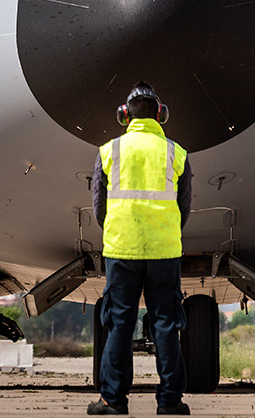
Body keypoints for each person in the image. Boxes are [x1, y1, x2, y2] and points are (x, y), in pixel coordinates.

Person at [89, 83, 193, 416]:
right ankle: (169, 401)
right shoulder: (176, 153)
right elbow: (185, 204)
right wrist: (167, 232)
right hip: (164, 250)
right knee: (165, 324)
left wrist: (115, 231)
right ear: (160, 115)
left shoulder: (110, 150)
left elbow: (98, 204)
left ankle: (113, 400)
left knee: (120, 324)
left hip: (122, 249)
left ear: (124, 115)